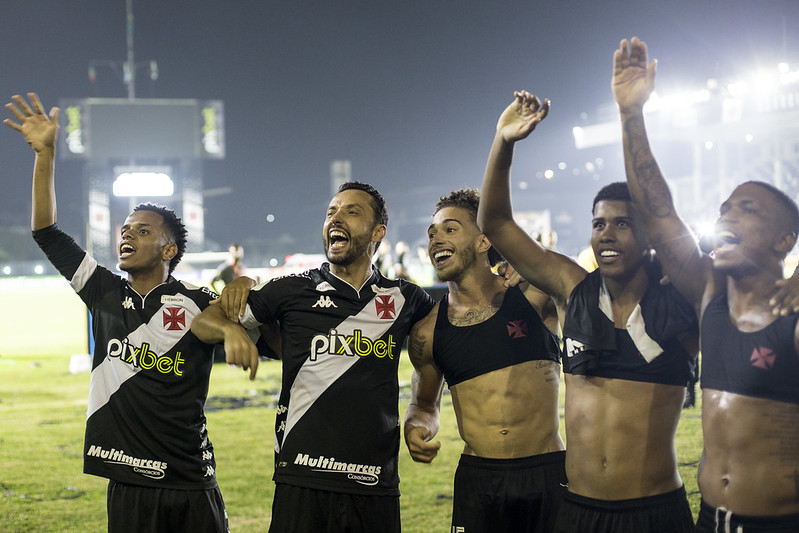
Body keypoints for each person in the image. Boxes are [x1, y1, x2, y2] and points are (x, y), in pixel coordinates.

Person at [4, 93, 234, 532]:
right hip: (127, 480)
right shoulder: (103, 290)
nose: (126, 236)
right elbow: (46, 232)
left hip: (190, 482)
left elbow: (265, 331)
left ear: (168, 249)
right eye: (125, 229)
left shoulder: (198, 301)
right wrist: (46, 154)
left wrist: (241, 301)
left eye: (141, 231)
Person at [478, 91, 699, 532]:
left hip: (654, 513)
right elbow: (496, 223)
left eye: (622, 223)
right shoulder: (572, 287)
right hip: (577, 511)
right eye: (599, 223)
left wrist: (630, 113)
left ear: (650, 236)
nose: (607, 234)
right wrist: (504, 142)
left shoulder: (679, 298)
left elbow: (667, 219)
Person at [613, 36, 799, 532]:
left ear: (785, 239)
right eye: (725, 208)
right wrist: (632, 114)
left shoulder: (793, 318)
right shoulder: (709, 295)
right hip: (709, 520)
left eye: (747, 208)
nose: (726, 214)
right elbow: (656, 211)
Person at [190, 181, 436, 532]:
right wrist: (230, 328)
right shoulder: (292, 290)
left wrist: (425, 416)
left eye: (351, 211)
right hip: (302, 478)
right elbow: (205, 321)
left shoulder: (406, 299)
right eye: (330, 212)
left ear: (378, 232)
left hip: (374, 482)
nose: (336, 218)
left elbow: (440, 350)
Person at [403, 188, 566, 532]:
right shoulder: (427, 332)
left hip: (547, 470)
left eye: (450, 229)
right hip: (479, 480)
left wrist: (530, 265)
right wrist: (416, 426)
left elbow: (570, 279)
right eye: (432, 233)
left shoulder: (533, 296)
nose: (436, 239)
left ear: (483, 242)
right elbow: (424, 404)